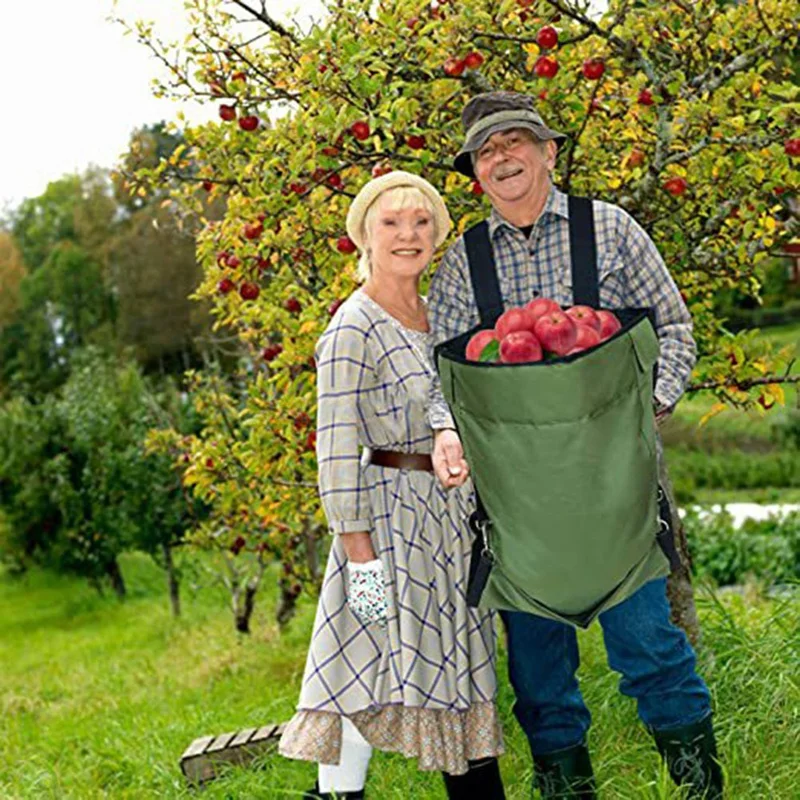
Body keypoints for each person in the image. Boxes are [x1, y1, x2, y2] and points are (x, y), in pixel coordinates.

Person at [426, 92, 723, 799]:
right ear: (476, 174)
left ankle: (700, 789)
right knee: (539, 678)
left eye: (514, 143)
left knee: (652, 649)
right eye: (485, 153)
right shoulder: (464, 264)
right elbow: (438, 371)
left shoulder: (611, 231)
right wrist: (443, 427)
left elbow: (675, 330)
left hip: (615, 497)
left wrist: (650, 404)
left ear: (549, 152)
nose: (501, 159)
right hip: (520, 510)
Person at [279, 171, 505, 799]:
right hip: (383, 528)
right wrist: (359, 557)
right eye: (392, 222)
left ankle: (475, 788)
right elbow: (334, 446)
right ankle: (334, 798)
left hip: (445, 524)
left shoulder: (436, 316)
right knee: (364, 665)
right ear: (366, 239)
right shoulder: (352, 326)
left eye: (421, 221)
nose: (408, 234)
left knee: (457, 665)